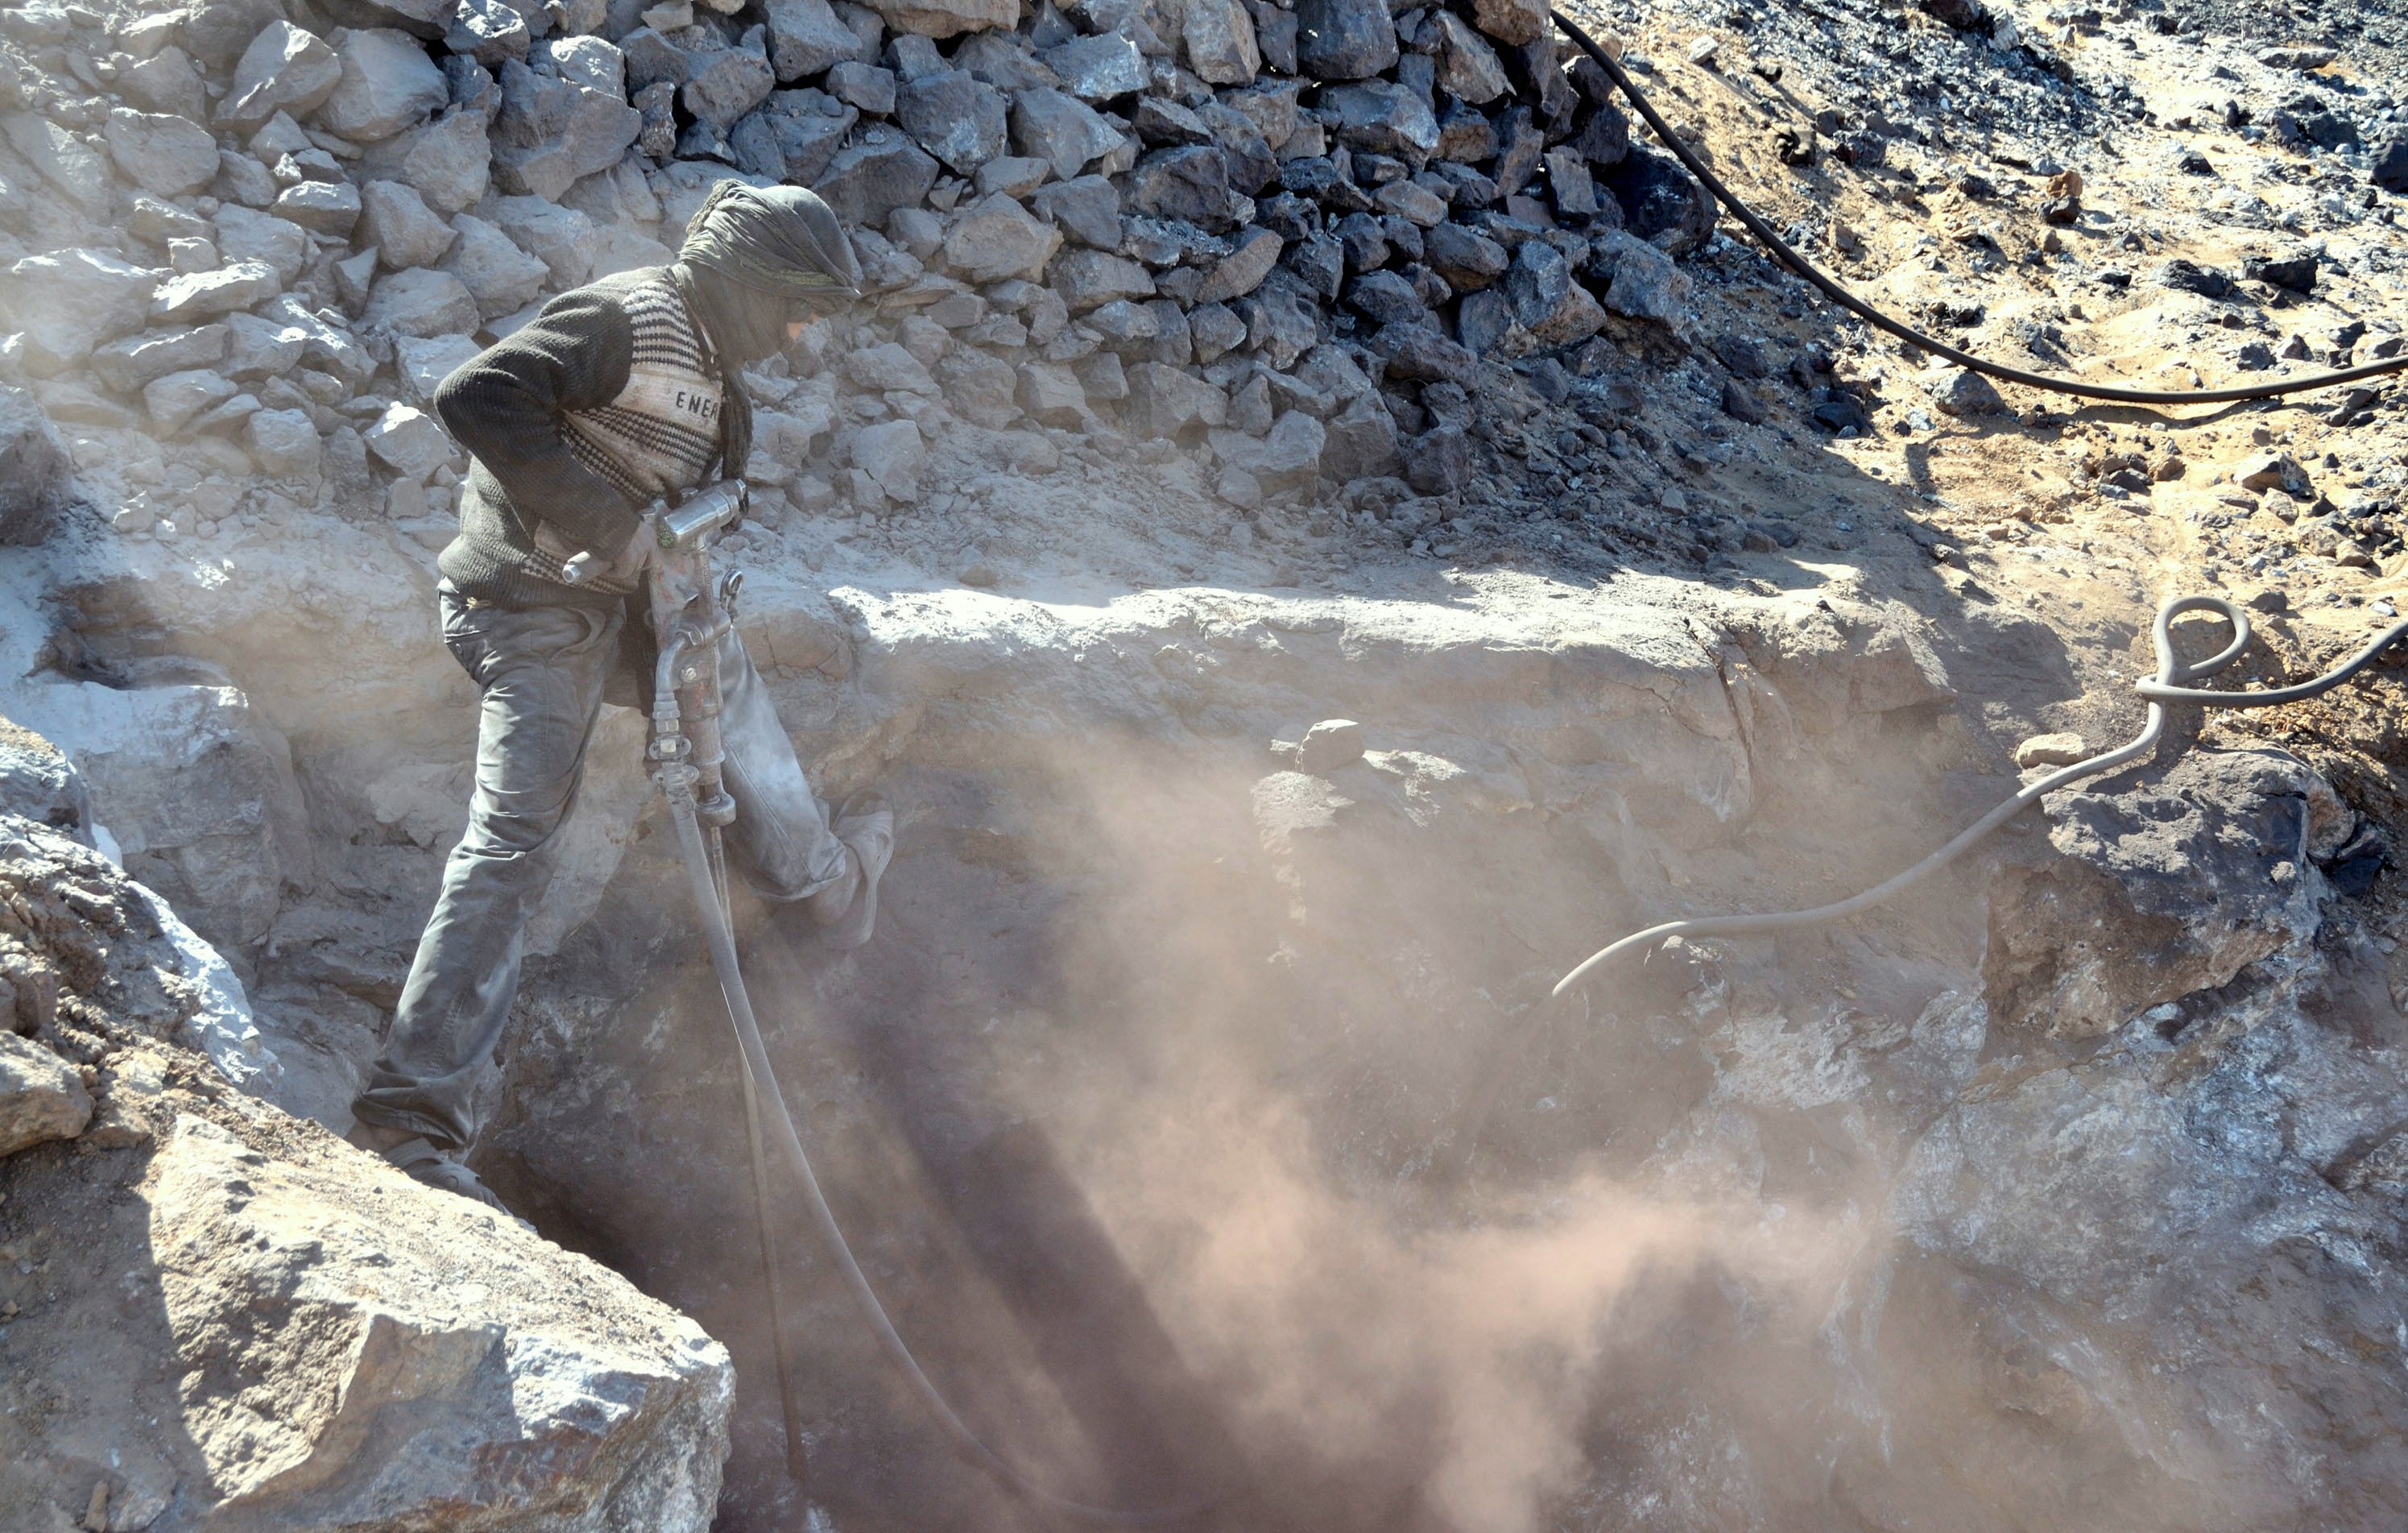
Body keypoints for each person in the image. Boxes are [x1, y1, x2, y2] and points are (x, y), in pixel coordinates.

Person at [345, 183, 892, 1216]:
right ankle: (409, 1119)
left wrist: (678, 607)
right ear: (747, 285)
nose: (802, 333)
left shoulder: (722, 390)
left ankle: (825, 891)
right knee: (515, 835)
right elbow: (476, 396)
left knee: (739, 718)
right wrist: (607, 516)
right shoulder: (627, 319)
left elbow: (672, 528)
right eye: (795, 308)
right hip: (530, 607)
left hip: (633, 612)